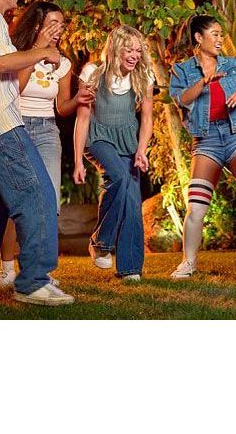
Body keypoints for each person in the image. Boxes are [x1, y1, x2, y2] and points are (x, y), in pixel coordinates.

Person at [0, 0, 74, 305]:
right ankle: (33, 282)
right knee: (38, 196)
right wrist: (43, 51)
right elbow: (0, 63)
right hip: (2, 126)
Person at [0, 1, 94, 288]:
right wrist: (37, 52)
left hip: (47, 131)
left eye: (62, 24)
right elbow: (14, 91)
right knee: (15, 202)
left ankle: (35, 271)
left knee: (47, 200)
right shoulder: (17, 53)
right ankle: (7, 269)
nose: (59, 29)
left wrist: (79, 99)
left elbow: (62, 107)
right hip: (16, 126)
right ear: (37, 24)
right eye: (53, 23)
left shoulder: (64, 63)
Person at [169, 15, 236, 279]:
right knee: (196, 207)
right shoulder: (182, 70)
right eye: (215, 34)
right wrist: (203, 82)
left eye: (222, 34)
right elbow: (181, 100)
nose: (221, 39)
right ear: (199, 38)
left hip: (235, 136)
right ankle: (188, 263)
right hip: (206, 141)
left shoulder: (233, 65)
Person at [73, 25, 154, 281]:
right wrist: (78, 161)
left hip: (127, 140)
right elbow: (82, 119)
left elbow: (147, 118)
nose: (134, 55)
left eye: (138, 50)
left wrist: (141, 150)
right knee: (119, 177)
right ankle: (101, 243)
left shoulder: (144, 75)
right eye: (129, 50)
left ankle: (130, 268)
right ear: (115, 49)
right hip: (98, 137)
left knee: (131, 198)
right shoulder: (92, 72)